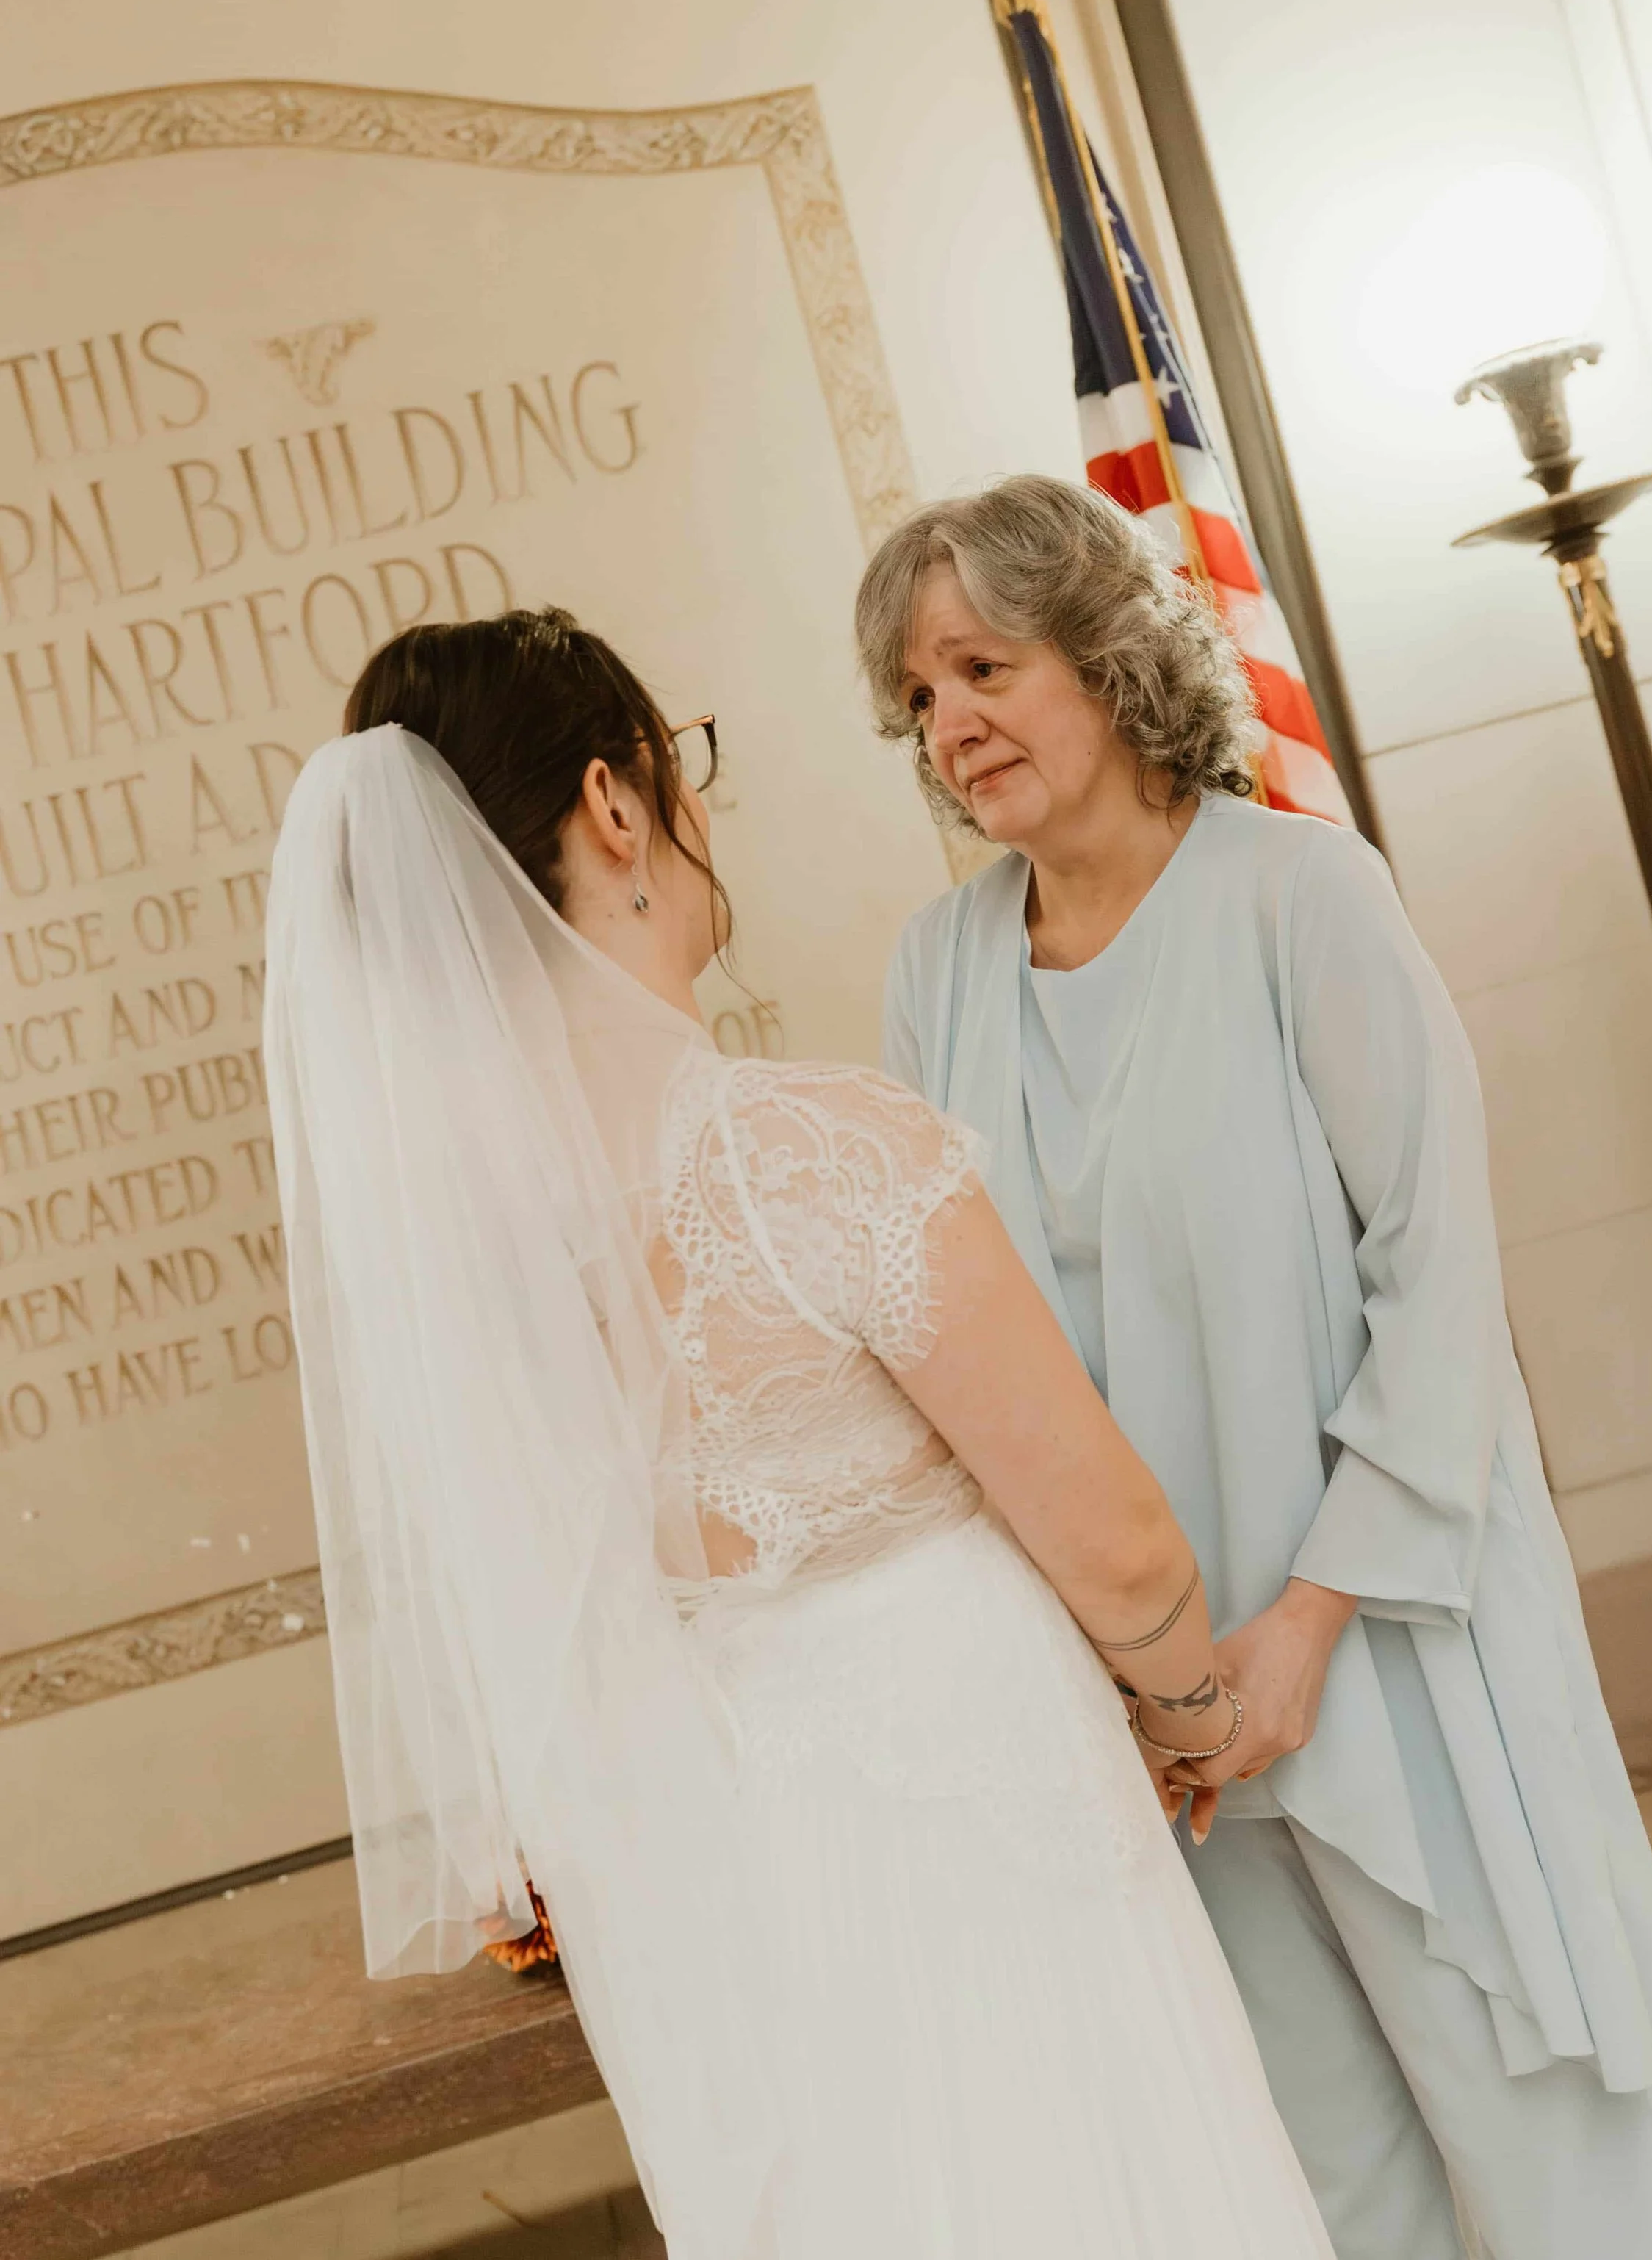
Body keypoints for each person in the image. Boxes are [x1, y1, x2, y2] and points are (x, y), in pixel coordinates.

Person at [266, 606, 1333, 2260]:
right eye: (678, 770)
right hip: (981, 1817)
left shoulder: (453, 1266)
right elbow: (1114, 1541)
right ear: (616, 808)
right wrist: (1192, 1712)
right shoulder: (803, 1148)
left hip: (719, 1875)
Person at [856, 476, 1652, 2260]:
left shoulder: (1299, 895)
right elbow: (947, 1356)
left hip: (1388, 1647)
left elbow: (1440, 1294)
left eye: (981, 666)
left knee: (1552, 2163)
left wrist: (1303, 1625)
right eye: (917, 694)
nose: (948, 723)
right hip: (1159, 1719)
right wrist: (1140, 1676)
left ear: (1101, 654)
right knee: (1327, 2193)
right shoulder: (933, 978)